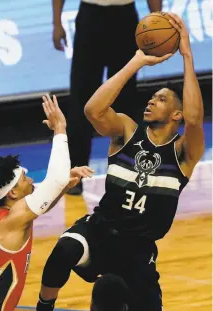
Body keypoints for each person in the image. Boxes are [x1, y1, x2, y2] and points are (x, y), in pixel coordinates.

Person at [36, 14, 204, 311]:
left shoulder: (183, 153)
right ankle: (43, 307)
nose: (151, 101)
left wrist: (187, 54)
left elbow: (194, 118)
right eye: (152, 97)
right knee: (64, 249)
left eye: (161, 99)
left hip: (137, 250)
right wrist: (137, 62)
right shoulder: (127, 130)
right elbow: (93, 110)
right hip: (99, 231)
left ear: (176, 115)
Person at [0, 94, 94, 311]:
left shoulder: (7, 217)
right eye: (24, 179)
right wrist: (60, 130)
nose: (30, 180)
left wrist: (64, 186)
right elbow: (54, 180)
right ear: (13, 193)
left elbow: (44, 201)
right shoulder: (13, 219)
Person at [53, 0, 163, 194]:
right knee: (82, 99)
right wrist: (56, 22)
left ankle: (128, 172)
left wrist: (158, 20)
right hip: (90, 16)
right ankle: (75, 175)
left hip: (125, 17)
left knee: (125, 101)